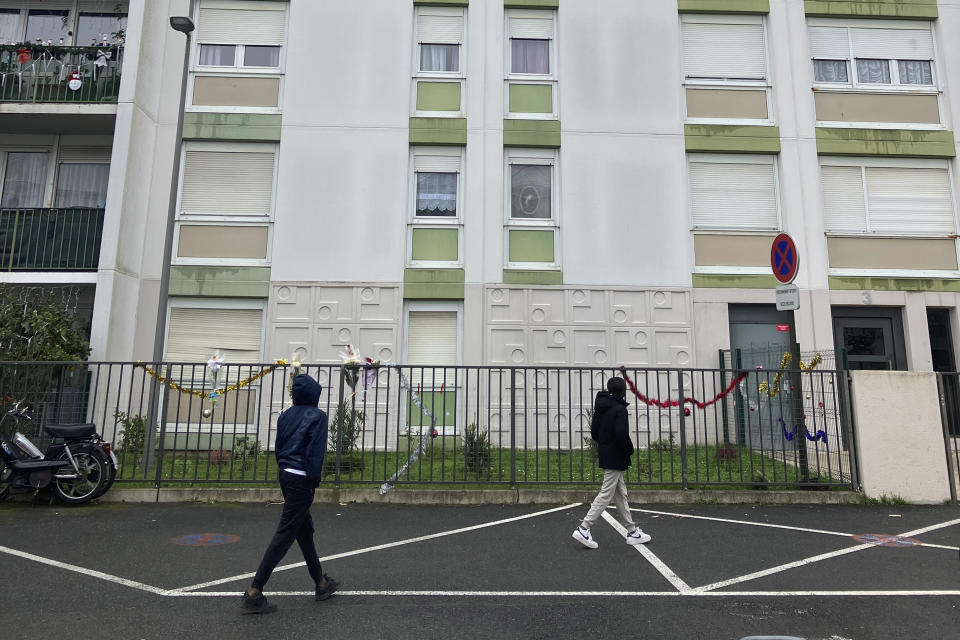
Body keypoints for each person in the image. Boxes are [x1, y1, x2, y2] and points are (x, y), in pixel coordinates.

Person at [240, 373, 340, 614]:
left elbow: (279, 446)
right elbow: (315, 452)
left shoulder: (285, 416)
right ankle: (255, 590)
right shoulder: (318, 416)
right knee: (285, 534)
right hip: (302, 478)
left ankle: (321, 583)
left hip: (285, 474)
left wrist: (285, 470)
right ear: (315, 395)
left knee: (303, 531)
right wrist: (313, 479)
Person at [572, 376, 652, 549]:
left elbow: (594, 433)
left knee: (619, 493)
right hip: (616, 455)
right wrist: (629, 449)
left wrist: (606, 444)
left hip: (606, 452)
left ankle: (632, 531)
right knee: (607, 493)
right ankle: (583, 528)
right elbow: (621, 434)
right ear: (623, 391)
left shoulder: (601, 407)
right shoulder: (619, 409)